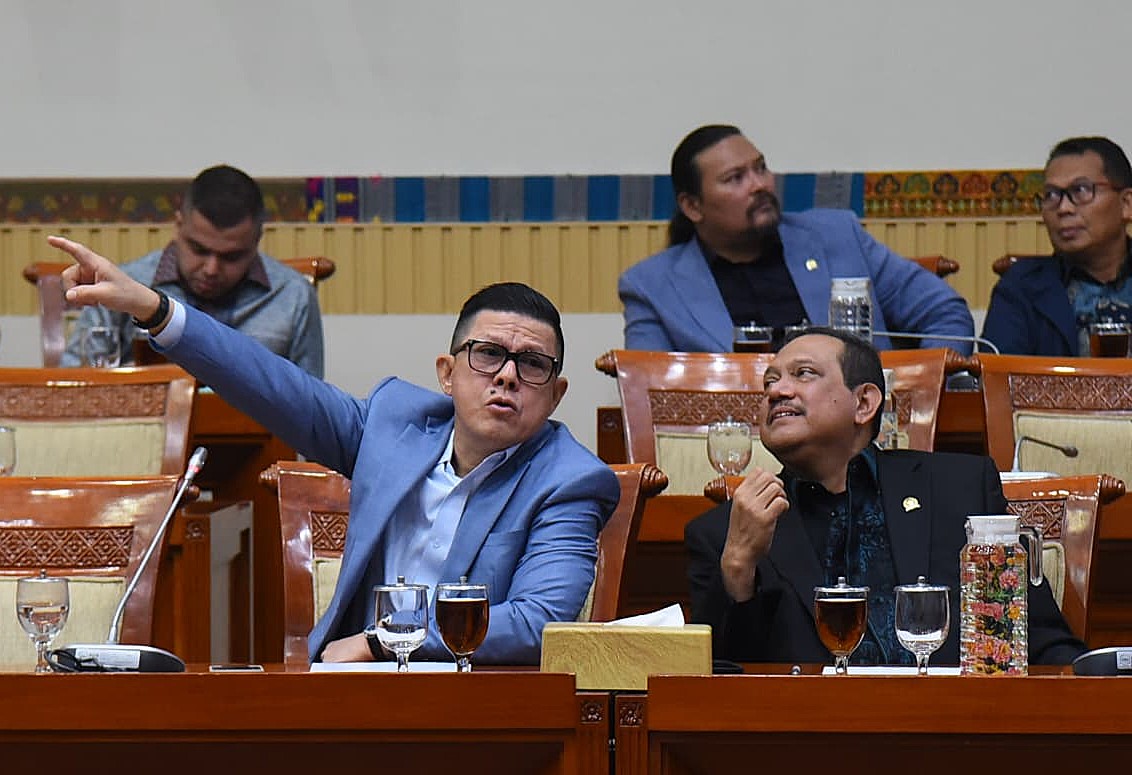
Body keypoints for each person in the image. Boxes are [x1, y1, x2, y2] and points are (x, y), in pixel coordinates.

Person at [49, 234, 620, 665]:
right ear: (447, 374)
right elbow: (272, 385)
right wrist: (155, 310)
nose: (507, 377)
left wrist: (384, 641)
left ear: (555, 394)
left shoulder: (570, 479)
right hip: (348, 687)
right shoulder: (394, 426)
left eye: (532, 365)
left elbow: (535, 622)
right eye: (487, 354)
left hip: (475, 705)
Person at [684, 327, 1085, 666]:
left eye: (803, 374)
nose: (777, 392)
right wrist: (738, 566)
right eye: (770, 382)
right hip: (806, 745)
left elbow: (1037, 638)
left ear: (864, 403)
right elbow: (720, 681)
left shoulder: (958, 489)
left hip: (957, 735)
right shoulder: (723, 533)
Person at [619, 124, 975, 353]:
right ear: (693, 206)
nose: (759, 184)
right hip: (739, 450)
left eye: (760, 168)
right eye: (735, 178)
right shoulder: (652, 286)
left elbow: (943, 312)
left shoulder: (837, 237)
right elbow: (647, 384)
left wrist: (917, 389)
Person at [62, 165, 325, 377]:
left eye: (231, 257)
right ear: (178, 226)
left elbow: (314, 414)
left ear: (257, 240)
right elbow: (77, 384)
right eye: (199, 249)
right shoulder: (123, 286)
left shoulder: (292, 297)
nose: (211, 269)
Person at [982, 136, 1132, 356]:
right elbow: (999, 379)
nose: (1063, 208)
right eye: (1051, 195)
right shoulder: (1021, 287)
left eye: (1081, 190)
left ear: (1126, 204)